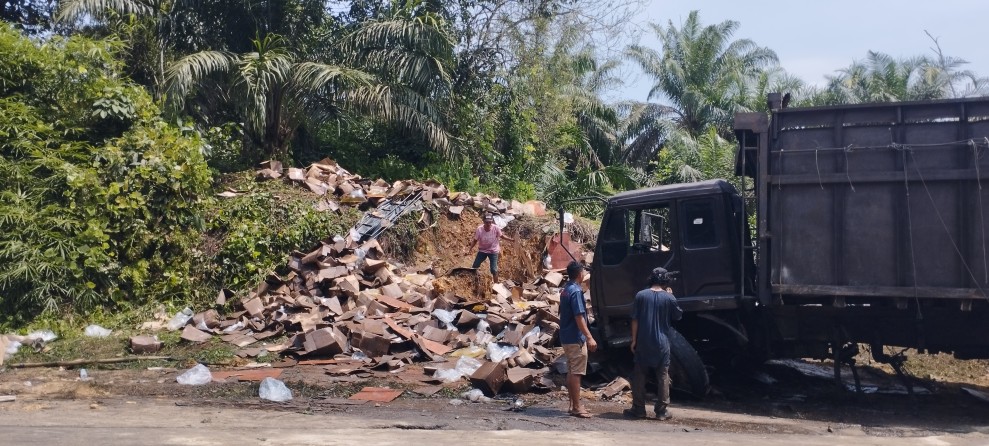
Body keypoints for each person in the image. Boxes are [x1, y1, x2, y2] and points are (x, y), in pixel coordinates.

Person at [624, 267, 683, 420]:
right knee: (663, 376)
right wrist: (671, 296)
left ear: (651, 279)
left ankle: (638, 409)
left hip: (644, 341)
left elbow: (635, 319)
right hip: (662, 343)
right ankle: (661, 411)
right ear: (665, 281)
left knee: (639, 375)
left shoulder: (641, 295)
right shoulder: (669, 298)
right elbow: (678, 316)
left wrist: (634, 340)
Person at [558, 260, 598, 418]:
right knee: (576, 373)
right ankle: (576, 407)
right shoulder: (576, 291)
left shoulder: (566, 289)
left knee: (571, 371)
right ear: (580, 274)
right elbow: (579, 317)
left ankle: (572, 404)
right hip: (575, 338)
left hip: (566, 335)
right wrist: (589, 337)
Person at [463, 213, 513, 283]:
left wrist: (511, 240)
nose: (488, 224)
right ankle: (473, 282)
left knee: (493, 269)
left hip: (493, 251)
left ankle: (496, 285)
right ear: (483, 221)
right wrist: (470, 249)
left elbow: (502, 236)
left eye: (490, 222)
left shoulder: (496, 228)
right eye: (486, 222)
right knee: (475, 266)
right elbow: (475, 240)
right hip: (482, 250)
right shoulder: (479, 229)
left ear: (492, 221)